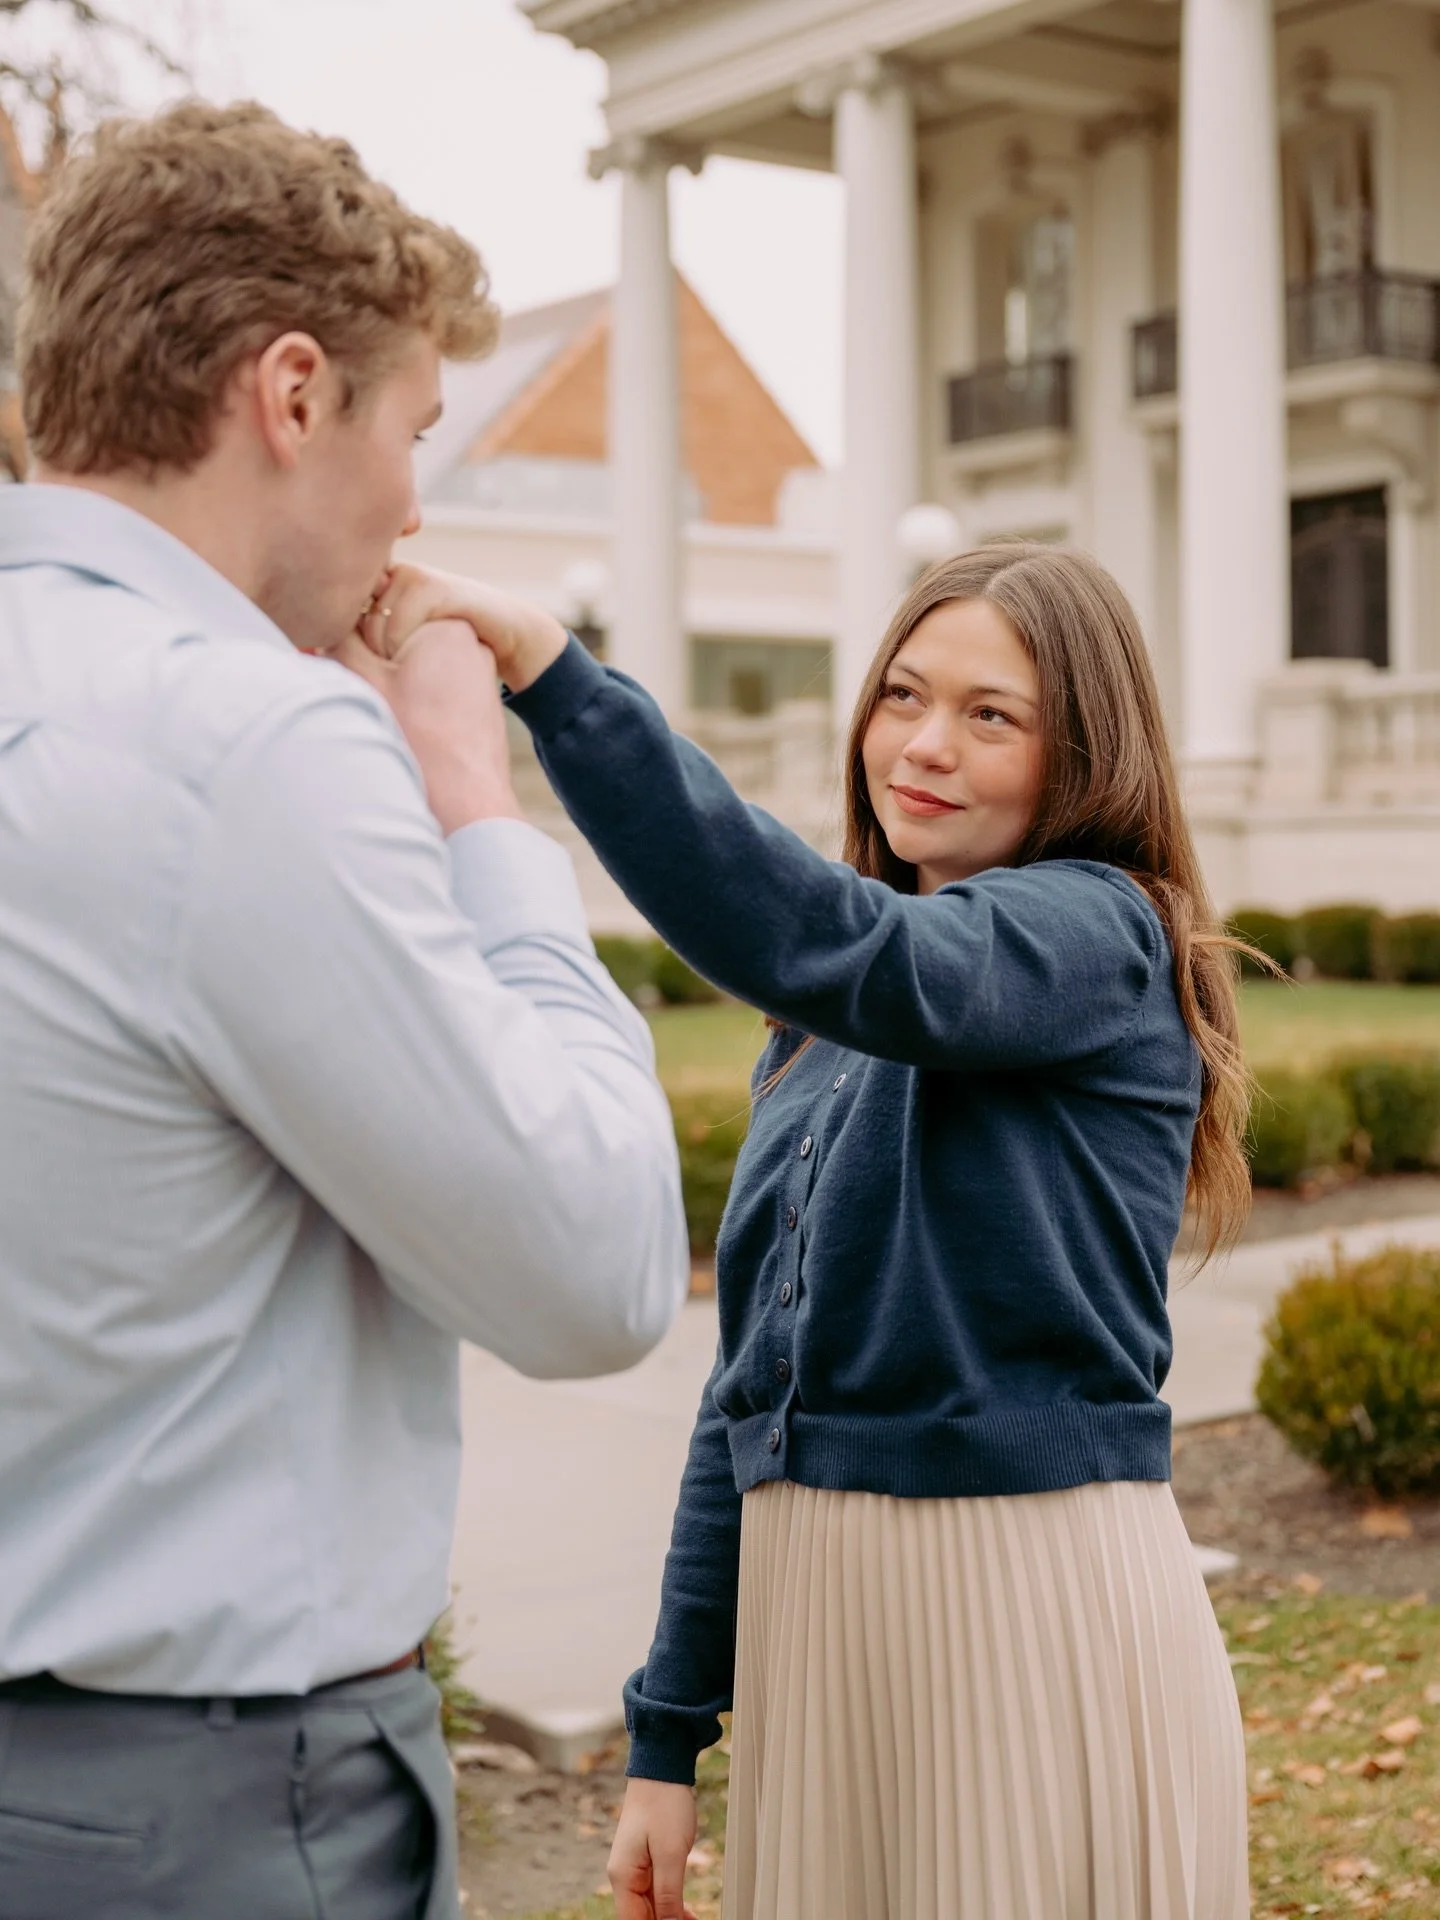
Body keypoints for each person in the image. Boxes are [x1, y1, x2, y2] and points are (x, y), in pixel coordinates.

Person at [0, 103, 688, 1920]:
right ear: (294, 397)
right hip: (212, 1811)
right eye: (414, 432)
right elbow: (597, 1265)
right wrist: (477, 799)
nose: (412, 508)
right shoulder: (248, 739)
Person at [366, 544, 1254, 1920]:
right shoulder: (826, 1033)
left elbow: (849, 950)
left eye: (990, 715)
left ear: (1084, 755)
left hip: (1020, 1610)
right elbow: (750, 1404)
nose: (924, 745)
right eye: (903, 695)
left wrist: (557, 682)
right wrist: (667, 1736)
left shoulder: (1101, 935)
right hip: (821, 1630)